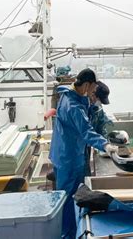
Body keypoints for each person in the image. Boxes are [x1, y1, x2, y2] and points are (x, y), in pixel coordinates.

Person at [49, 68, 117, 238]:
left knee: (63, 197)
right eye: (93, 89)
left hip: (61, 153)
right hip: (70, 158)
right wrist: (105, 145)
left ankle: (66, 231)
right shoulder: (73, 107)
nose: (93, 93)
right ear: (87, 85)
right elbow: (86, 131)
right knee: (69, 199)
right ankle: (69, 234)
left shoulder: (68, 95)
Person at [84, 81, 114, 177]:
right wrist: (103, 144)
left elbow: (101, 126)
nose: (99, 102)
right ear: (92, 94)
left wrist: (106, 143)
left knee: (85, 172)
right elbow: (86, 131)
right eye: (99, 99)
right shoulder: (81, 107)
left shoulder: (97, 108)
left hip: (87, 146)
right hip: (75, 147)